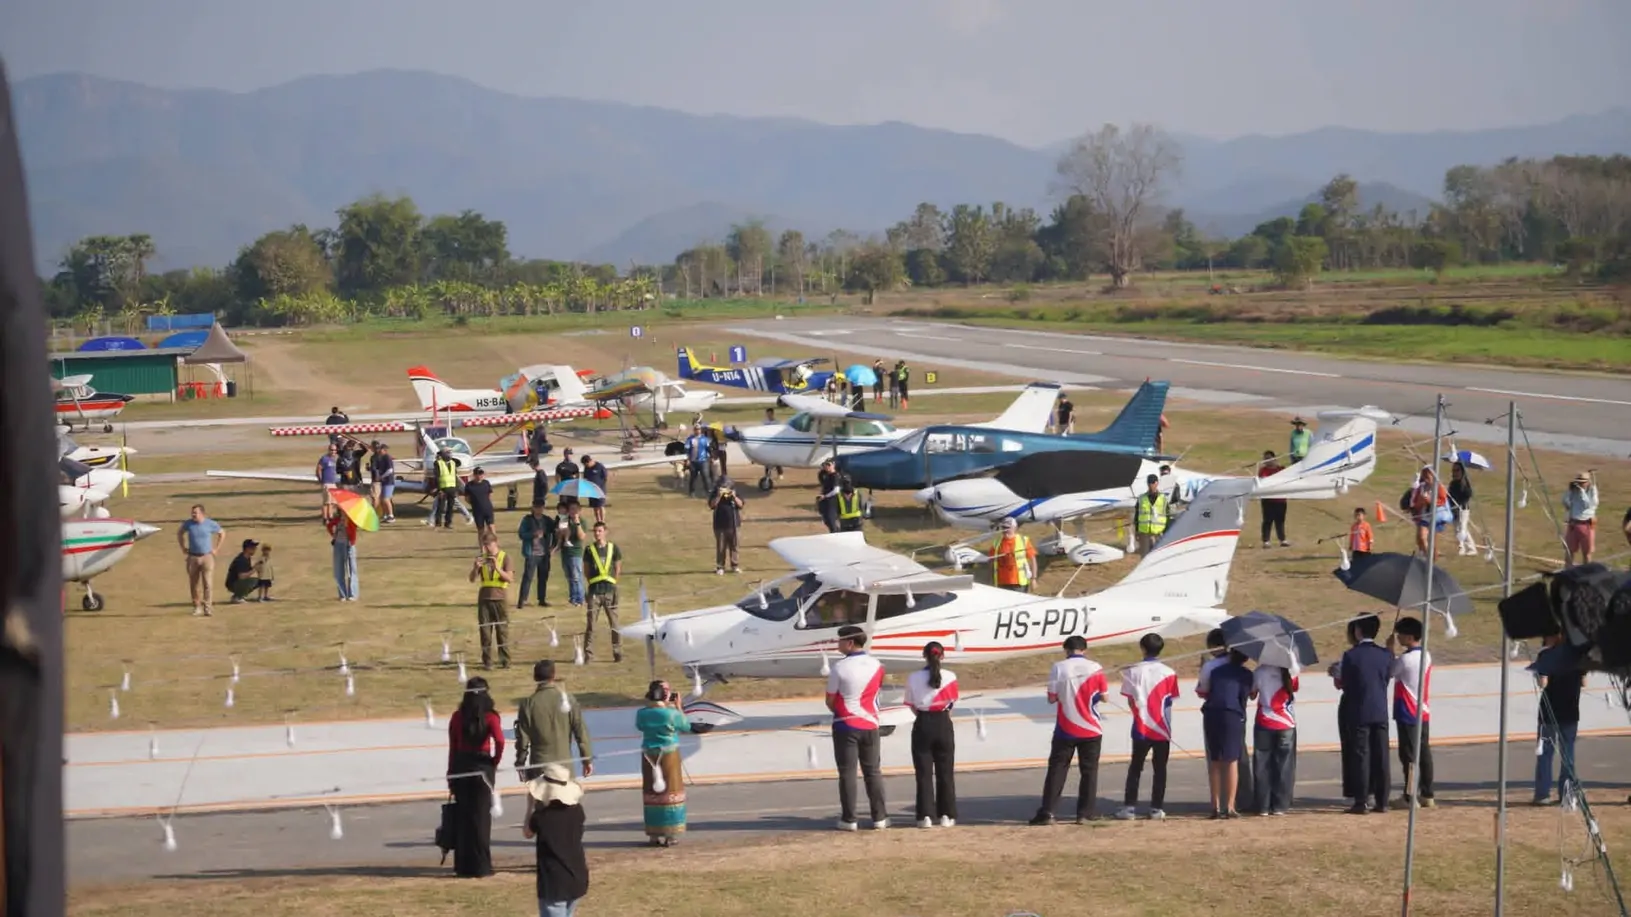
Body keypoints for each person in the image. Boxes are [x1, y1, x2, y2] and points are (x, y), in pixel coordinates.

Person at [1030, 636, 1108, 825]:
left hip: (1066, 727)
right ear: (1085, 649)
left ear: (1066, 650)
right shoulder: (1096, 667)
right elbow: (1104, 697)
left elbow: (1051, 698)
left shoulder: (1059, 667)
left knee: (1057, 769)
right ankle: (1085, 813)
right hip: (1091, 728)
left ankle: (1048, 811)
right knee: (1089, 771)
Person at [827, 625, 888, 830]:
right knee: (873, 771)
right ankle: (879, 817)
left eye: (840, 641)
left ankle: (849, 819)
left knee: (848, 773)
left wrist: (843, 711)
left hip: (845, 724)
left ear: (850, 643)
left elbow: (830, 700)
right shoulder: (877, 664)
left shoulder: (839, 668)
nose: (838, 644)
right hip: (870, 724)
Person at [446, 676, 505, 879]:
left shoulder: (457, 717)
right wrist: (494, 761)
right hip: (482, 765)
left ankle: (463, 866)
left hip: (461, 764)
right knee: (481, 818)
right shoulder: (490, 717)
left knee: (463, 817)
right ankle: (482, 865)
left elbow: (453, 747)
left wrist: (450, 772)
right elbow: (500, 740)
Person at [1117, 633, 1178, 821]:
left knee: (1136, 767)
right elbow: (1170, 701)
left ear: (1142, 648)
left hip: (1141, 726)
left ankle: (1129, 807)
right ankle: (1156, 808)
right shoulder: (1169, 672)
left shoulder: (1132, 672)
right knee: (1160, 768)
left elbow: (1130, 700)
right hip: (1162, 728)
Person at [1337, 613, 1393, 814]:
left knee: (1361, 755)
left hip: (1358, 709)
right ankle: (1382, 800)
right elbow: (1387, 678)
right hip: (1380, 709)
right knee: (1381, 755)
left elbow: (1344, 682)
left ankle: (1361, 800)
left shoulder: (1351, 655)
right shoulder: (1386, 654)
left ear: (1358, 631)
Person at [1197, 628, 1253, 811]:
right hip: (1234, 715)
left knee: (1215, 760)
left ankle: (1215, 805)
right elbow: (1247, 697)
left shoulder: (1212, 669)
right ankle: (1230, 805)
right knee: (1232, 760)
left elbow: (1202, 691)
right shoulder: (1245, 673)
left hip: (1212, 713)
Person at [905, 641, 959, 829]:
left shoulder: (913, 677)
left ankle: (925, 816)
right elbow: (951, 704)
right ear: (942, 656)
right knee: (945, 772)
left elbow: (911, 704)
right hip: (943, 722)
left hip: (923, 722)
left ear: (924, 655)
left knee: (923, 773)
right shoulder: (951, 676)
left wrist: (923, 716)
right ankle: (947, 815)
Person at [523, 763, 589, 917]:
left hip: (554, 881)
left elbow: (527, 832)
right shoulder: (577, 811)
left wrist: (529, 806)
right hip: (576, 875)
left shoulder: (541, 816)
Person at [635, 679, 693, 846]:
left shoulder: (642, 713)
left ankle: (654, 833)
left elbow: (640, 726)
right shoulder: (671, 714)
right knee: (671, 791)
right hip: (668, 754)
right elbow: (686, 726)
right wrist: (678, 707)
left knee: (652, 792)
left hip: (648, 755)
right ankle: (671, 833)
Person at [515, 660, 594, 780]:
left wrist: (520, 762)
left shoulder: (528, 705)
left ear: (535, 677)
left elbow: (523, 740)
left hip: (540, 767)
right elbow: (581, 733)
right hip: (565, 767)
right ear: (554, 676)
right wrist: (587, 759)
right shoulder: (568, 701)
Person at [1532, 633, 1584, 806]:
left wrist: (1540, 673)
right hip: (1570, 710)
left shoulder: (1546, 655)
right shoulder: (1578, 655)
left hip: (1549, 711)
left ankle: (1542, 793)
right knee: (1567, 754)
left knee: (1545, 753)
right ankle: (1566, 793)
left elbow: (1543, 683)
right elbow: (1584, 682)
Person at [1388, 617, 1435, 809]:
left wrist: (1389, 650)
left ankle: (1409, 796)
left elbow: (1390, 671)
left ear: (1409, 637)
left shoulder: (1405, 659)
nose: (1398, 637)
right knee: (1423, 752)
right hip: (1422, 711)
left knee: (1408, 756)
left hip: (1407, 710)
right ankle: (1427, 793)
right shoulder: (1426, 655)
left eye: (1400, 634)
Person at [1252, 658, 1299, 817]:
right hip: (1286, 722)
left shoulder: (1260, 671)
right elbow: (1294, 688)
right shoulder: (1291, 670)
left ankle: (1263, 805)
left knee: (1262, 764)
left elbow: (1252, 694)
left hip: (1264, 720)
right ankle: (1280, 805)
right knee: (1284, 765)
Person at [469, 532, 512, 669]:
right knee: (485, 632)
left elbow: (509, 578)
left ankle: (505, 660)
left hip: (500, 598)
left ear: (495, 543)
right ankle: (487, 661)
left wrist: (497, 568)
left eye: (489, 545)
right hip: (484, 598)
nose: (487, 549)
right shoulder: (481, 558)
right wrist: (476, 568)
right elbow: (471, 579)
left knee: (502, 631)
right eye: (485, 545)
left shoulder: (505, 557)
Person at [583, 521, 623, 663]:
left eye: (599, 531)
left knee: (614, 624)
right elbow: (586, 571)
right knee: (591, 625)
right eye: (595, 531)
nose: (597, 534)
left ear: (605, 531)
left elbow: (618, 568)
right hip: (595, 591)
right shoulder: (589, 550)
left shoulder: (613, 548)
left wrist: (613, 584)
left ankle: (617, 652)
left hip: (610, 591)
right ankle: (588, 655)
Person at [1331, 620, 1362, 801]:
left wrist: (1334, 672)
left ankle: (1354, 788)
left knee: (1352, 748)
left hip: (1350, 704)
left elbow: (1340, 683)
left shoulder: (1349, 656)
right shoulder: (1381, 654)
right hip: (1373, 705)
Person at [177, 504, 224, 617]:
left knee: (207, 583)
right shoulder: (188, 524)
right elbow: (180, 533)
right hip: (193, 557)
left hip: (207, 557)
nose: (193, 514)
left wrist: (216, 549)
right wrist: (183, 547)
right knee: (194, 584)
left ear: (202, 513)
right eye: (192, 512)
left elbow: (222, 533)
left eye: (195, 512)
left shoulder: (210, 524)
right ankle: (197, 607)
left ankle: (208, 608)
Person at [518, 501, 556, 608]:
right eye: (537, 507)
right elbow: (521, 534)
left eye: (541, 507)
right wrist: (533, 534)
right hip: (532, 553)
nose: (539, 509)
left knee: (543, 577)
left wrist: (553, 546)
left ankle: (542, 599)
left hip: (544, 554)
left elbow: (556, 530)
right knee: (528, 577)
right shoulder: (527, 520)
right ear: (533, 508)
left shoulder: (547, 520)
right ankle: (522, 600)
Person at [1409, 466, 1450, 560]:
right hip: (1425, 517)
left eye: (1428, 477)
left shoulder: (1439, 487)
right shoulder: (1421, 487)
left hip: (1437, 518)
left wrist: (1430, 500)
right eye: (1424, 477)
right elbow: (1415, 503)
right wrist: (1421, 501)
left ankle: (1432, 563)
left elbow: (1442, 501)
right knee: (1421, 538)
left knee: (1433, 545)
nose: (1426, 480)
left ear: (1434, 476)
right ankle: (1428, 560)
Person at [1563, 470, 1599, 566]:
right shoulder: (1573, 490)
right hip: (1573, 524)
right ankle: (1568, 573)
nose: (1580, 484)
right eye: (1578, 482)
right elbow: (1566, 504)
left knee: (1587, 553)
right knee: (1569, 551)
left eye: (1582, 482)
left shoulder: (1592, 491)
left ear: (1588, 482)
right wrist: (1569, 492)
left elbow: (1587, 505)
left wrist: (1582, 492)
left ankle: (1586, 573)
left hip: (1587, 525)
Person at [990, 518, 1037, 591]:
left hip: (1019, 584)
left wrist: (1033, 579)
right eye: (1003, 527)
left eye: (1007, 528)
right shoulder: (996, 542)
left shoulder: (1023, 540)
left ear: (1015, 528)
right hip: (1001, 583)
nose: (1005, 530)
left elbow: (1033, 560)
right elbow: (991, 561)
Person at [709, 477, 743, 574]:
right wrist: (719, 496)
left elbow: (741, 505)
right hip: (720, 524)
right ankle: (720, 566)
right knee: (721, 547)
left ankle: (735, 565)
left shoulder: (734, 492)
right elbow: (712, 505)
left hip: (734, 523)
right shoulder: (715, 493)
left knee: (734, 546)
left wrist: (734, 497)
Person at [557, 501, 588, 607]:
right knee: (569, 576)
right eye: (571, 509)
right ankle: (572, 598)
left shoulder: (582, 522)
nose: (573, 511)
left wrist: (577, 522)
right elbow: (560, 535)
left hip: (576, 552)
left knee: (576, 576)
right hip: (565, 552)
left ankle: (580, 598)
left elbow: (581, 537)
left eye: (575, 509)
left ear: (579, 511)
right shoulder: (564, 520)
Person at [1258, 450, 1288, 547]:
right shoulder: (1263, 471)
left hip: (1280, 500)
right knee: (1267, 520)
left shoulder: (1282, 469)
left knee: (1280, 521)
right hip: (1267, 500)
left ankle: (1282, 540)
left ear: (1274, 458)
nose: (1267, 461)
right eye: (1265, 459)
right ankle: (1266, 541)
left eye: (1269, 458)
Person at [1133, 474, 1169, 555]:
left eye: (1153, 483)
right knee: (1144, 557)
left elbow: (1168, 515)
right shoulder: (1141, 498)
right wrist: (1136, 531)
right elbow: (1137, 516)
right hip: (1144, 533)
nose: (1151, 485)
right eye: (1149, 483)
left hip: (1158, 533)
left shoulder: (1163, 498)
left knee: (1157, 556)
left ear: (1157, 483)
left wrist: (1167, 532)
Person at [327, 510, 359, 602]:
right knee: (338, 571)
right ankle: (342, 595)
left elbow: (352, 535)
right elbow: (329, 526)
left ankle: (353, 594)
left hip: (349, 546)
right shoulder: (337, 519)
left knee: (351, 570)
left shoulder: (352, 521)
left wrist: (346, 524)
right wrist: (333, 535)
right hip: (338, 545)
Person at [1448, 461, 1476, 556]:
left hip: (1463, 509)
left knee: (1462, 528)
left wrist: (1460, 504)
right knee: (1457, 529)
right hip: (1454, 509)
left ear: (1462, 471)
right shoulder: (1452, 483)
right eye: (1453, 470)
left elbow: (1468, 495)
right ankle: (1466, 547)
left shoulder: (1465, 483)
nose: (1455, 472)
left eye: (1457, 470)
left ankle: (1466, 548)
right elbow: (1450, 496)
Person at [224, 538, 262, 604]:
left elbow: (247, 571)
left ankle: (239, 595)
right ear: (247, 548)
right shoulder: (241, 560)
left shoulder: (247, 558)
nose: (255, 549)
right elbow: (241, 576)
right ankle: (237, 597)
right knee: (254, 581)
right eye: (253, 547)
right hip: (233, 583)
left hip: (237, 582)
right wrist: (254, 569)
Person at [465, 467, 496, 541]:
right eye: (478, 474)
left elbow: (489, 495)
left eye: (481, 474)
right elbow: (467, 498)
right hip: (477, 511)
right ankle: (483, 550)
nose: (480, 476)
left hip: (488, 509)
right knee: (481, 530)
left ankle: (495, 545)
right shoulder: (469, 485)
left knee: (491, 527)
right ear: (474, 475)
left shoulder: (486, 483)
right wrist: (475, 503)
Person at [433, 447, 461, 530]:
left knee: (450, 507)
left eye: (450, 452)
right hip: (443, 488)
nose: (449, 454)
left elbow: (455, 476)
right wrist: (439, 489)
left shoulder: (453, 463)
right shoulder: (438, 463)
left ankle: (448, 523)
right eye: (447, 452)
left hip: (452, 487)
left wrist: (456, 488)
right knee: (440, 507)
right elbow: (437, 477)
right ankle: (438, 523)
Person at [370, 442, 396, 523]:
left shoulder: (387, 457)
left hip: (389, 481)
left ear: (384, 450)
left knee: (385, 499)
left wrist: (381, 476)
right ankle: (386, 515)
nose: (379, 450)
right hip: (384, 482)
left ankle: (391, 516)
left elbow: (390, 470)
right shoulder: (382, 457)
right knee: (382, 499)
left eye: (380, 449)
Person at [684, 427, 712, 497]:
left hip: (703, 460)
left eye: (699, 429)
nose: (697, 431)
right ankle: (692, 491)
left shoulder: (704, 439)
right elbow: (687, 450)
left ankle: (708, 491)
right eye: (696, 429)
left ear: (700, 430)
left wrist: (712, 457)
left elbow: (708, 448)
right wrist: (687, 460)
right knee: (693, 477)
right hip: (693, 461)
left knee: (705, 476)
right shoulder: (690, 439)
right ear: (694, 430)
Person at [316, 442, 340, 522]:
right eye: (332, 450)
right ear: (329, 450)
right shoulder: (324, 458)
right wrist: (321, 479)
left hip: (333, 483)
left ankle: (330, 516)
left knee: (332, 502)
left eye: (335, 450)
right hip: (327, 483)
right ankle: (325, 518)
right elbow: (319, 469)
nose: (333, 452)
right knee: (326, 502)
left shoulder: (334, 459)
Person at [581, 455, 608, 524]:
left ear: (589, 461)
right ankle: (598, 521)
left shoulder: (599, 466)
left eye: (586, 464)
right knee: (595, 507)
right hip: (591, 490)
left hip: (600, 490)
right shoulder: (586, 468)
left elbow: (605, 477)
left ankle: (602, 522)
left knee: (600, 506)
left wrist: (601, 486)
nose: (585, 466)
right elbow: (585, 478)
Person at [816, 458, 841, 533]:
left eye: (829, 465)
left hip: (832, 501)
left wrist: (825, 496)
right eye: (825, 465)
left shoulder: (835, 476)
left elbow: (836, 490)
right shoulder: (826, 475)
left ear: (833, 465)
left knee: (830, 519)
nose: (827, 466)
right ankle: (836, 532)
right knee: (826, 520)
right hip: (825, 501)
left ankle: (836, 534)